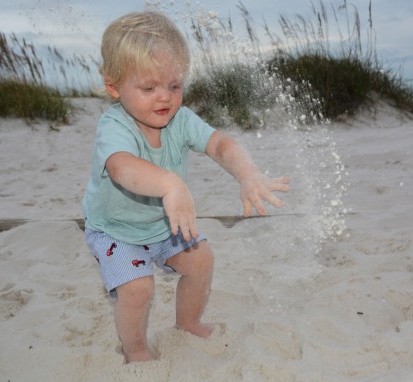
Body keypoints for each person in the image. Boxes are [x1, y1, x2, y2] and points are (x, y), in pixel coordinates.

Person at [82, 11, 290, 363]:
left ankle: (188, 322)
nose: (164, 98)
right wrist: (169, 183)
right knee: (137, 288)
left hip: (166, 224)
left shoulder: (181, 119)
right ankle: (135, 349)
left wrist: (248, 173)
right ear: (114, 85)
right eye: (149, 88)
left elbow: (220, 144)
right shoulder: (114, 125)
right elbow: (122, 169)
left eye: (174, 85)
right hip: (116, 230)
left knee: (201, 260)